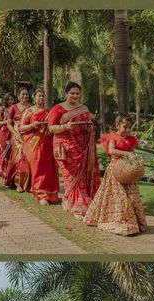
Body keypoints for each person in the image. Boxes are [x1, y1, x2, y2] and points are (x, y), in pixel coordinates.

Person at [84, 114, 147, 236]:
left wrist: (135, 159)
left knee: (132, 196)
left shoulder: (131, 139)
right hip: (115, 170)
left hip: (127, 171)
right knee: (119, 197)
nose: (128, 130)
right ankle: (118, 220)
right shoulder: (112, 137)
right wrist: (127, 154)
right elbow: (112, 151)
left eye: (129, 127)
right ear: (117, 125)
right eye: (125, 127)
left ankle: (136, 221)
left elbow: (131, 152)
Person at [48, 82, 100, 217]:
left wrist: (90, 128)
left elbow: (88, 126)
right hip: (64, 147)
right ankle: (77, 205)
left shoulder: (84, 108)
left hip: (82, 146)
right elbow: (51, 128)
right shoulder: (58, 109)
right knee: (70, 176)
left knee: (81, 176)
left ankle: (68, 200)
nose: (75, 96)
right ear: (66, 94)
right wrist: (66, 127)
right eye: (72, 93)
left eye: (77, 93)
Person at [20, 89, 59, 206]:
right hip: (33, 143)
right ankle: (40, 195)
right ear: (34, 97)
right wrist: (32, 125)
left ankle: (49, 194)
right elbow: (21, 128)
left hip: (47, 143)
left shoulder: (49, 112)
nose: (41, 98)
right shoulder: (29, 111)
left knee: (48, 168)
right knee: (37, 168)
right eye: (39, 96)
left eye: (43, 96)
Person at [5, 87, 31, 191]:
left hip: (27, 135)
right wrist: (15, 133)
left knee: (28, 158)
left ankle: (27, 182)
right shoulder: (14, 107)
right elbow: (9, 123)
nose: (25, 96)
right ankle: (17, 183)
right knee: (18, 157)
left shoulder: (31, 108)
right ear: (19, 96)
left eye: (26, 94)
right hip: (16, 135)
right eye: (23, 94)